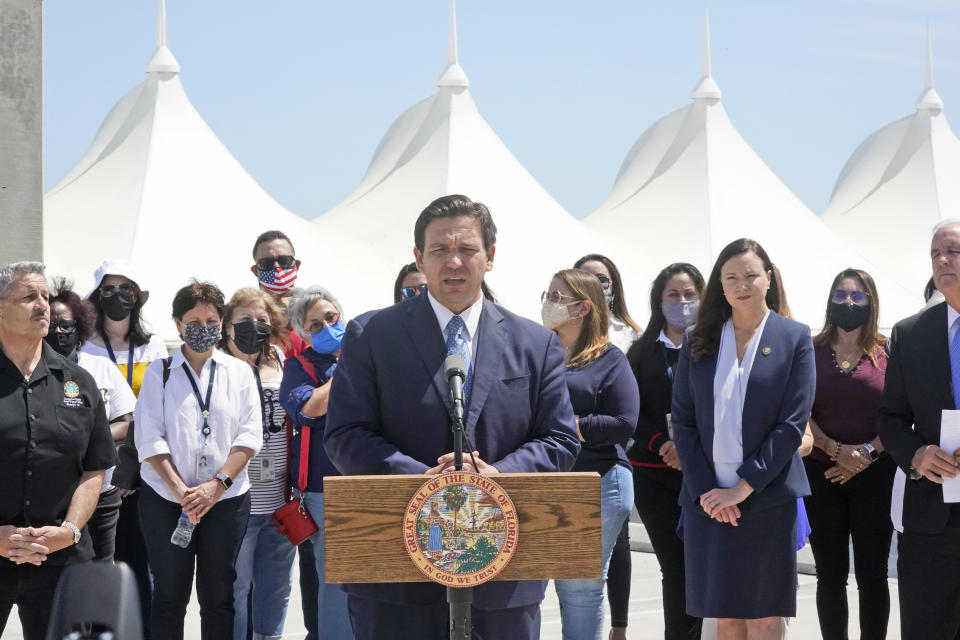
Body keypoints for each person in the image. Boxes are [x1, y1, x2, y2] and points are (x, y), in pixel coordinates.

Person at [324, 194, 580, 640]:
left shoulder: (535, 344)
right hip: (394, 579)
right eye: (440, 250)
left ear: (490, 257)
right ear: (420, 258)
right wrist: (428, 482)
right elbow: (345, 434)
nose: (454, 261)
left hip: (503, 575)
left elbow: (560, 439)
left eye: (467, 249)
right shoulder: (372, 335)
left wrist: (495, 475)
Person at [671, 238, 814, 640]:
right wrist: (708, 492)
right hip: (708, 500)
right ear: (720, 283)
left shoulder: (794, 337)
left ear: (768, 278)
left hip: (767, 499)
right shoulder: (699, 338)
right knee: (725, 617)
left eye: (751, 275)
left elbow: (791, 424)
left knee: (764, 617)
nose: (742, 284)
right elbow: (682, 422)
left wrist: (743, 488)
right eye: (731, 277)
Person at [135, 280, 261, 640]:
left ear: (221, 323)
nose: (203, 329)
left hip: (225, 500)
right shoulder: (158, 374)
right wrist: (182, 493)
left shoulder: (238, 372)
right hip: (166, 501)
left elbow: (249, 436)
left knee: (219, 596)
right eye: (194, 321)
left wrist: (214, 487)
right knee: (170, 596)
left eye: (210, 320)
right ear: (178, 324)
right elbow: (149, 439)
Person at [0, 262, 117, 640]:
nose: (43, 306)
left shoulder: (79, 382)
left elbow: (94, 469)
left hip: (60, 558)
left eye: (45, 297)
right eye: (29, 297)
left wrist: (68, 531)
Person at [544, 269, 639, 640]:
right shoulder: (537, 352)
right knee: (537, 586)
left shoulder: (609, 359)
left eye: (556, 297)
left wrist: (564, 425)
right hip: (546, 485)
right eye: (547, 294)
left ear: (583, 308)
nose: (547, 304)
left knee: (580, 587)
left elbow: (623, 422)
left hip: (599, 483)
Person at [877, 219, 960, 639]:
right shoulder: (910, 334)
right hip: (932, 520)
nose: (942, 261)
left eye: (954, 252)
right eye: (935, 254)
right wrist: (916, 454)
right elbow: (890, 418)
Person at [803, 269, 894, 640]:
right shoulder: (809, 348)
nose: (848, 304)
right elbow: (799, 410)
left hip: (876, 476)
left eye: (857, 297)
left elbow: (902, 411)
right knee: (830, 575)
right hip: (821, 475)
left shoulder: (890, 350)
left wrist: (867, 454)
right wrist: (835, 450)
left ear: (871, 302)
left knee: (872, 575)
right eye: (840, 296)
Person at [82, 259, 167, 637]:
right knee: (98, 568)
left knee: (141, 566)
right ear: (97, 296)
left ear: (139, 296)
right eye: (109, 289)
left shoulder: (154, 345)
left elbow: (161, 408)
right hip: (94, 479)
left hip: (144, 475)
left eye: (126, 289)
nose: (118, 297)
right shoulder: (82, 347)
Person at [625, 262, 705, 640]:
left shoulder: (715, 348)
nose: (682, 302)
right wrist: (664, 445)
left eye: (690, 294)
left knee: (704, 566)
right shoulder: (640, 354)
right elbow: (630, 414)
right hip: (654, 475)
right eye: (673, 294)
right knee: (675, 569)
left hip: (705, 476)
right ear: (660, 300)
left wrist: (689, 448)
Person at [219, 288, 296, 640]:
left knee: (276, 586)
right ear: (226, 325)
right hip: (235, 503)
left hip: (280, 502)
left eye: (262, 320)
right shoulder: (216, 367)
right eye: (244, 320)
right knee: (234, 589)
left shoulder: (281, 359)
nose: (254, 326)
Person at [278, 285, 353, 639]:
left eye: (331, 318)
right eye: (315, 325)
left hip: (372, 481)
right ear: (303, 332)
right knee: (336, 577)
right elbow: (307, 411)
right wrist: (344, 373)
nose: (326, 327)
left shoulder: (367, 352)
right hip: (324, 488)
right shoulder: (299, 365)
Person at [46, 278, 136, 562]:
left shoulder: (101, 368)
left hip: (100, 493)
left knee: (99, 575)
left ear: (80, 328)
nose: (59, 331)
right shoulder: (30, 372)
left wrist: (91, 440)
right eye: (51, 325)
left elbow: (128, 420)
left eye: (67, 325)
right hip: (51, 498)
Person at [574, 254, 642, 354]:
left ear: (613, 286)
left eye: (601, 280)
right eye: (585, 281)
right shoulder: (560, 332)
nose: (593, 286)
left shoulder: (632, 336)